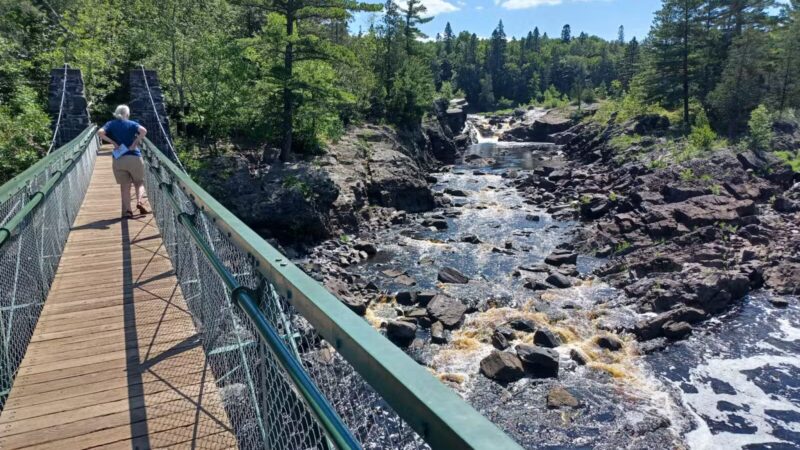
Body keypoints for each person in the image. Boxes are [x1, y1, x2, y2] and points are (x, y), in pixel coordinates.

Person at [97, 105, 149, 218]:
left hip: (119, 159)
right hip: (134, 157)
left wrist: (114, 143)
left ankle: (128, 211)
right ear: (127, 113)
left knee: (125, 187)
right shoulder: (132, 123)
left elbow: (100, 132)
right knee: (139, 183)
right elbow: (144, 131)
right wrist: (135, 143)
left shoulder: (111, 124)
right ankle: (140, 201)